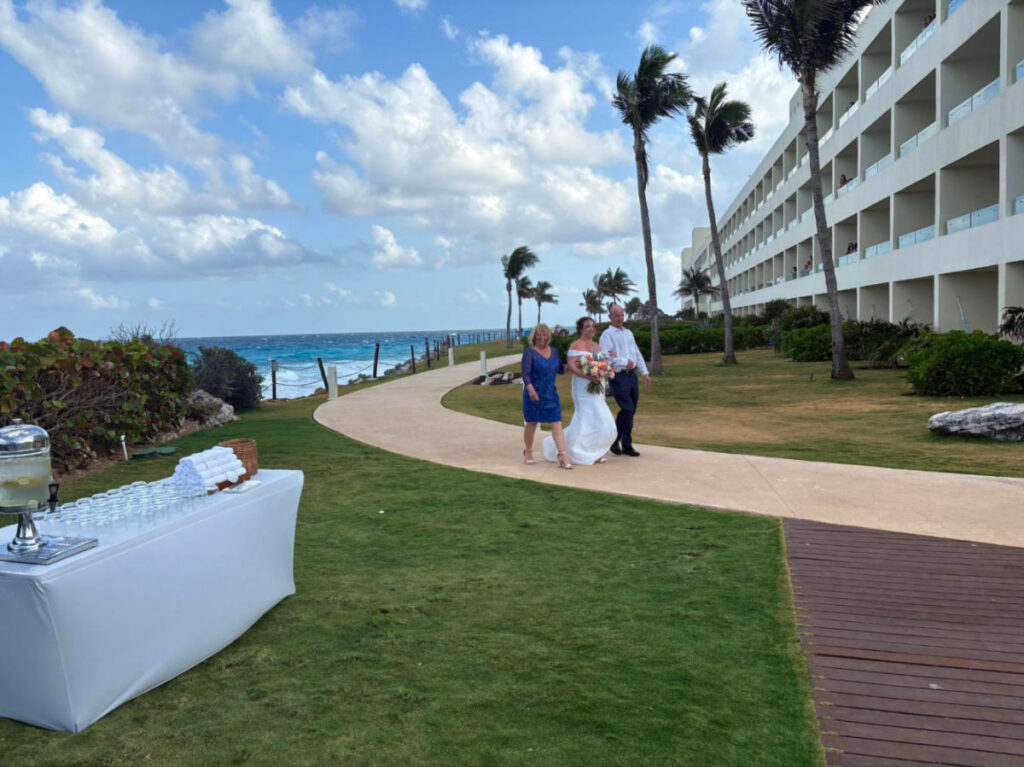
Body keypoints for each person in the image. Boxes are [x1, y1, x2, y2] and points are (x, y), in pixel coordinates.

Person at [543, 317, 617, 465]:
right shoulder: (576, 345)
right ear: (581, 329)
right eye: (587, 326)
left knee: (600, 420)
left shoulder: (597, 346)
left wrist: (602, 371)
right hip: (582, 387)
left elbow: (601, 363)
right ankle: (573, 450)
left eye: (593, 326)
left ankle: (595, 451)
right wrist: (588, 376)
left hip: (597, 386)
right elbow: (571, 366)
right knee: (586, 419)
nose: (591, 328)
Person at [599, 304, 650, 457]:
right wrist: (624, 361)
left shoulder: (628, 333)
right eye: (616, 315)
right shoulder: (607, 335)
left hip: (632, 376)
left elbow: (636, 353)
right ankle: (614, 440)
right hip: (618, 376)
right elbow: (606, 357)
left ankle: (626, 444)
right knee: (627, 409)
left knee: (631, 411)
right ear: (610, 317)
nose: (620, 318)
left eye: (621, 315)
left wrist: (644, 371)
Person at [520, 323, 572, 469]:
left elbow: (561, 369)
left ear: (548, 336)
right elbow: (526, 374)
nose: (541, 337)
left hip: (551, 393)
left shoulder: (554, 351)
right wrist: (531, 390)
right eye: (538, 334)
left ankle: (562, 455)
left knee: (556, 422)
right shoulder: (529, 352)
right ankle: (528, 451)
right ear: (534, 336)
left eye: (544, 334)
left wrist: (578, 365)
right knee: (532, 423)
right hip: (534, 394)